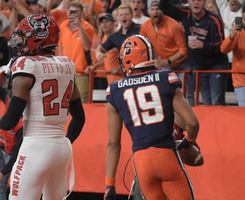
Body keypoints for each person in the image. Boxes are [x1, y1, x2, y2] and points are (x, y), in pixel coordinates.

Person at [0, 14, 85, 199]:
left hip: (35, 147)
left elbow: (9, 121)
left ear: (36, 38)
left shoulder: (26, 65)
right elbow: (80, 118)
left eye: (23, 36)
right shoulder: (66, 65)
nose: (19, 42)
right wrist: (66, 142)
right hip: (60, 149)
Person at [104, 35, 199, 200]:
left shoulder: (114, 90)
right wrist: (188, 142)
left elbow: (113, 145)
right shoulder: (165, 78)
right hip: (167, 156)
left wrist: (109, 184)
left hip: (141, 162)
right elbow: (192, 123)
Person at [160, 0, 229, 106]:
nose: (196, 3)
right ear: (188, 1)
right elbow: (164, 7)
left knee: (217, 102)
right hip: (200, 66)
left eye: (200, 0)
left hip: (216, 66)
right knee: (206, 103)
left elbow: (222, 46)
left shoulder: (214, 19)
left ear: (205, 2)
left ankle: (221, 123)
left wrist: (203, 45)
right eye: (193, 0)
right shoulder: (185, 13)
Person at [140, 0, 192, 104]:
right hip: (161, 65)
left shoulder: (174, 26)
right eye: (152, 9)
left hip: (180, 65)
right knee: (164, 95)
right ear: (148, 11)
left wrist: (168, 61)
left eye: (158, 9)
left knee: (185, 96)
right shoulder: (145, 26)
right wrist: (153, 61)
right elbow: (143, 46)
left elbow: (184, 50)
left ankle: (191, 118)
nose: (155, 12)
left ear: (162, 11)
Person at [59, 1, 94, 102]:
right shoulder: (63, 25)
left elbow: (87, 46)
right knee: (65, 100)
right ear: (67, 12)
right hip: (66, 71)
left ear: (82, 13)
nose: (73, 14)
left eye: (76, 11)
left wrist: (80, 26)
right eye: (71, 11)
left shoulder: (87, 27)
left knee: (82, 101)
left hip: (81, 71)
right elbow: (60, 46)